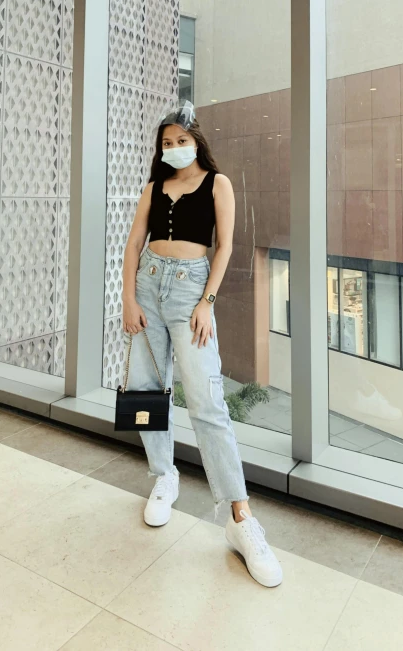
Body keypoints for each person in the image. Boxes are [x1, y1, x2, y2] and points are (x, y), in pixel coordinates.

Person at [121, 101, 282, 588]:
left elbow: (227, 245)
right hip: (147, 283)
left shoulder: (218, 184)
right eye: (166, 144)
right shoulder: (155, 186)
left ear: (196, 140)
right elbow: (133, 244)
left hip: (191, 289)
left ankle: (238, 516)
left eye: (180, 141)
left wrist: (207, 301)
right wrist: (127, 298)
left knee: (207, 401)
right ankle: (163, 475)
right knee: (143, 392)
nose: (173, 149)